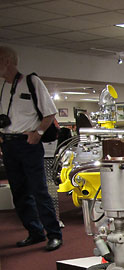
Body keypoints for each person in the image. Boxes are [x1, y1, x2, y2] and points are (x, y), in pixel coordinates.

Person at [0, 46, 62, 251]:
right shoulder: (2, 87)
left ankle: (54, 234)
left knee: (39, 190)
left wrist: (39, 133)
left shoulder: (31, 82)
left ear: (6, 60)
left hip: (28, 143)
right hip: (9, 144)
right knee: (19, 192)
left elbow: (49, 113)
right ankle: (34, 232)